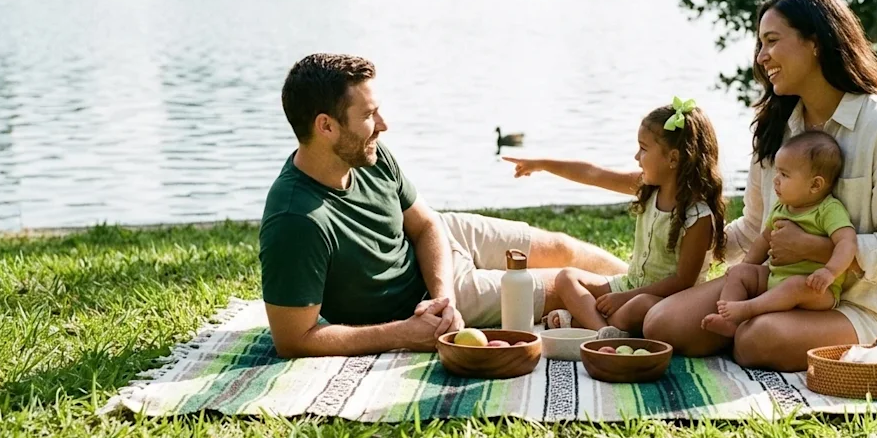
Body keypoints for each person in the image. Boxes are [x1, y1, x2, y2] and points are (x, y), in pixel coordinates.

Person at [641, 0, 877, 372]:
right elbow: (754, 229)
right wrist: (686, 234)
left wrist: (816, 249)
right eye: (759, 45)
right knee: (662, 324)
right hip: (774, 286)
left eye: (771, 41)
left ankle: (764, 331)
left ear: (815, 42)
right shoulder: (777, 127)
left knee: (756, 338)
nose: (761, 58)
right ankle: (756, 324)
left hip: (858, 306)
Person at [259, 54, 627, 358]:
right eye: (369, 115)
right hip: (419, 300)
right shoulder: (296, 220)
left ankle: (653, 277)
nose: (383, 125)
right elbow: (294, 339)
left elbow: (425, 225)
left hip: (441, 251)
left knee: (562, 246)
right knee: (568, 285)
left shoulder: (367, 155)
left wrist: (444, 296)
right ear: (326, 127)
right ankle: (664, 302)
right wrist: (406, 331)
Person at [503, 97, 726, 338]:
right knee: (567, 277)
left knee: (638, 308)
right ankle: (604, 330)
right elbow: (593, 173)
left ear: (673, 159)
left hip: (667, 301)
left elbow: (683, 281)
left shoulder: (698, 216)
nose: (636, 157)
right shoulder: (648, 189)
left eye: (643, 148)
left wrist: (625, 298)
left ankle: (586, 323)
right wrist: (542, 164)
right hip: (629, 286)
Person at [700, 130, 857, 337]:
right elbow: (764, 240)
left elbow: (847, 242)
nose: (776, 180)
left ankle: (748, 309)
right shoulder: (782, 207)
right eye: (777, 173)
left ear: (815, 185)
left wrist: (829, 272)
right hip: (776, 278)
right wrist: (748, 264)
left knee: (795, 284)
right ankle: (730, 320)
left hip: (815, 290)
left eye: (784, 174)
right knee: (739, 272)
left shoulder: (828, 210)